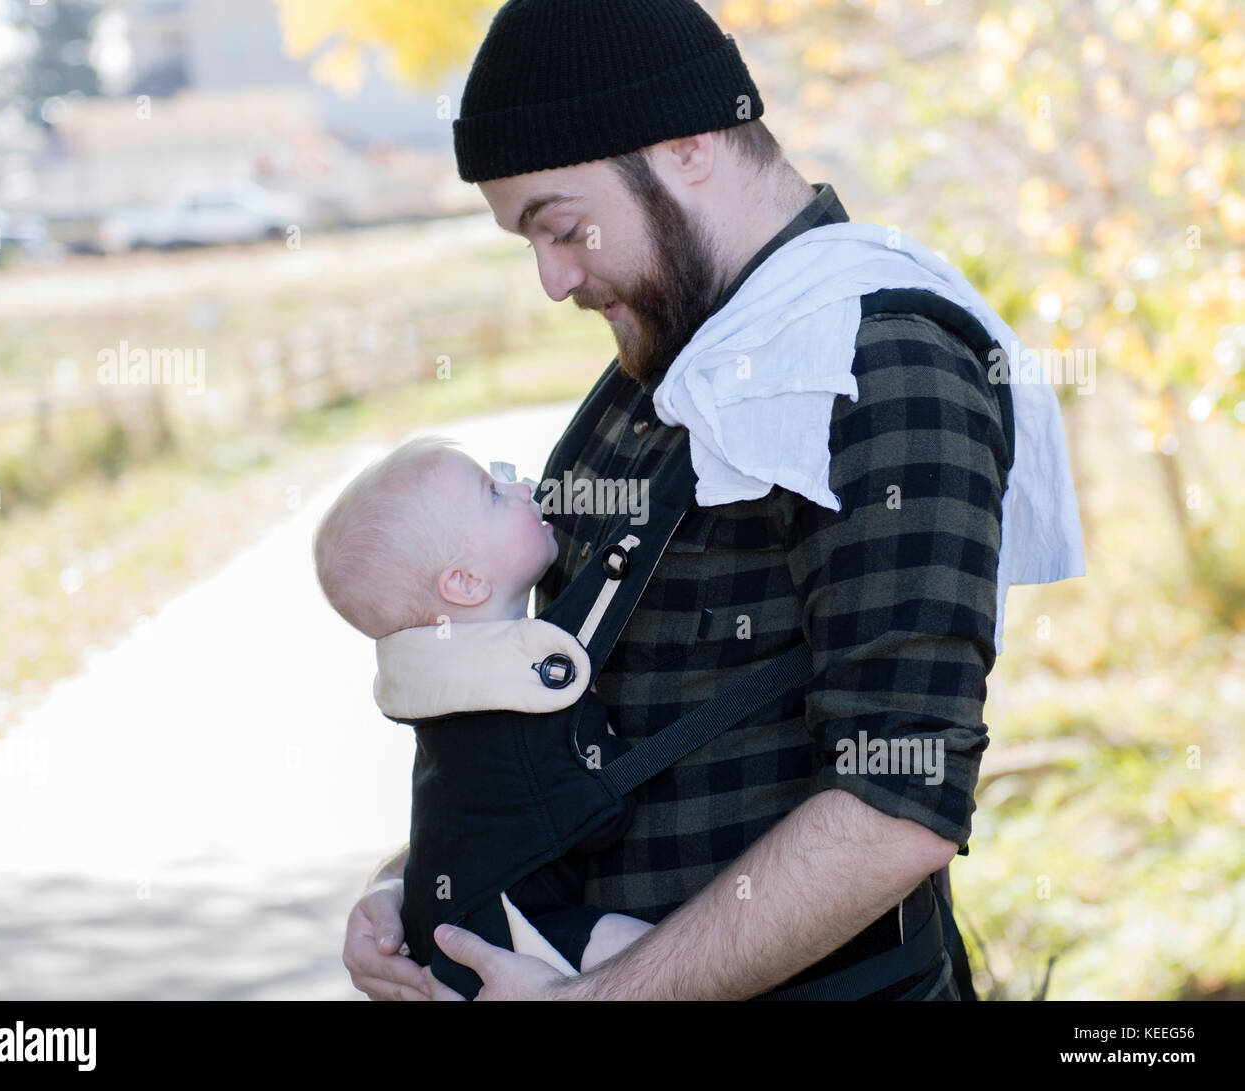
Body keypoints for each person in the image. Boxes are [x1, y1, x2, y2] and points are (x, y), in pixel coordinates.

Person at [343, 0, 1083, 1002]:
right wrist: (428, 886)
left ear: (688, 144)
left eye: (561, 228)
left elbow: (895, 802)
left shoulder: (883, 364)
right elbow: (588, 721)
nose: (554, 277)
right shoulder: (669, 354)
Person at [314, 435, 654, 990]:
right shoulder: (515, 703)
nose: (524, 487)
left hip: (448, 923)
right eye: (494, 493)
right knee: (654, 954)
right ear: (466, 583)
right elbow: (601, 816)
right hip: (508, 935)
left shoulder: (449, 702)